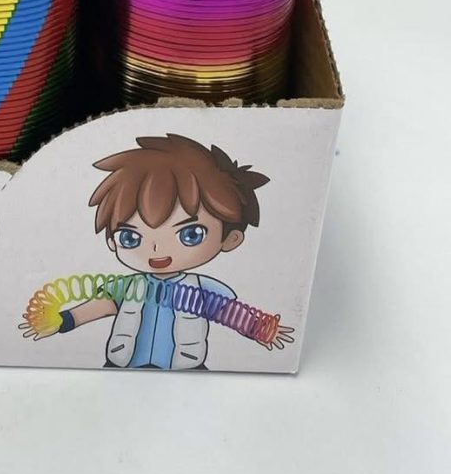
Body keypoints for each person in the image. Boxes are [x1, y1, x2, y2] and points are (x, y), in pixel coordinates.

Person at [21, 133, 295, 369]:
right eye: (131, 237)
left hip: (186, 371)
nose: (155, 249)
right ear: (112, 242)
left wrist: (260, 329)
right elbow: (102, 307)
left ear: (230, 239)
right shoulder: (127, 287)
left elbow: (229, 313)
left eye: (190, 234)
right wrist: (63, 321)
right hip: (121, 368)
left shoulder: (202, 291)